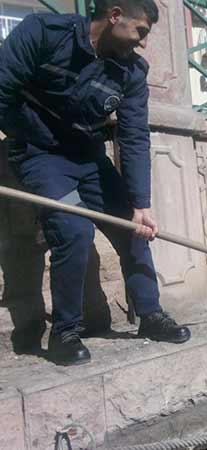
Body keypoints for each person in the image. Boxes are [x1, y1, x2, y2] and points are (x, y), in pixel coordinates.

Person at [0, 0, 191, 366]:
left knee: (135, 227)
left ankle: (149, 315)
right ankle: (65, 333)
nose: (143, 43)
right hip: (41, 157)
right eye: (141, 32)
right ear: (115, 16)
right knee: (73, 230)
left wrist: (141, 203)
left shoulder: (132, 72)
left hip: (89, 159)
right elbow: (2, 85)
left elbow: (134, 137)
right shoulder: (44, 34)